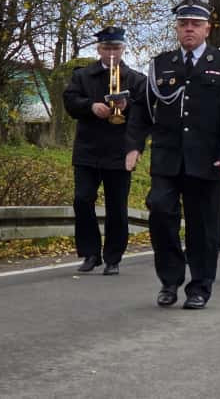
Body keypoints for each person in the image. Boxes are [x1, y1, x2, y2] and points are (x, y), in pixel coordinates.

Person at [125, 0, 220, 310]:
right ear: (177, 28)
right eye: (183, 24)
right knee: (161, 212)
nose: (189, 29)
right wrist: (134, 145)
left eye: (195, 24)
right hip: (168, 157)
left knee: (202, 225)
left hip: (208, 159)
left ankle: (200, 287)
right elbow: (142, 108)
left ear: (207, 28)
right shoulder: (161, 64)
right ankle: (170, 279)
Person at [63, 25, 146, 275]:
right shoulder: (83, 76)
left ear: (123, 49)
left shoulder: (135, 78)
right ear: (99, 49)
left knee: (117, 206)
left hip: (119, 150)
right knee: (82, 200)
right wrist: (91, 106)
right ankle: (90, 253)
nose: (111, 53)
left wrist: (127, 105)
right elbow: (69, 101)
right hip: (88, 149)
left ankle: (113, 257)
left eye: (116, 48)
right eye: (107, 48)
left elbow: (144, 112)